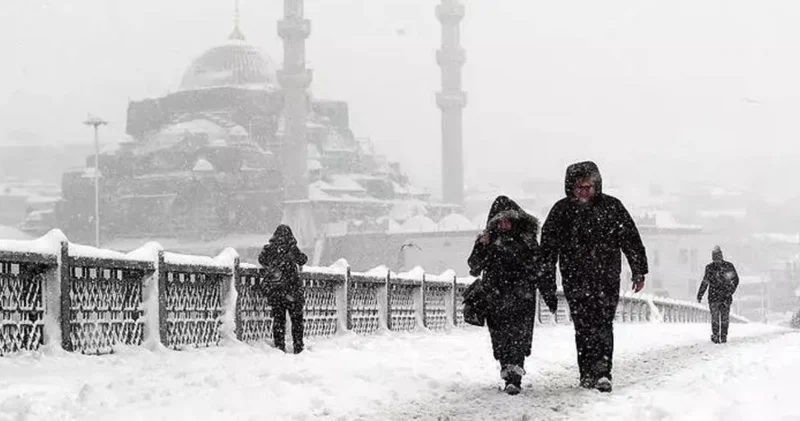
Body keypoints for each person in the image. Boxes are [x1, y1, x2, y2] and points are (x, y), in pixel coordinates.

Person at [540, 161, 648, 393]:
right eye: (580, 187)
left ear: (596, 185)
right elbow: (547, 249)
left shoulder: (612, 207)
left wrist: (638, 270)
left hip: (606, 277)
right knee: (583, 325)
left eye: (589, 186)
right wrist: (546, 279)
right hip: (575, 278)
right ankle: (586, 372)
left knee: (603, 323)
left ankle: (602, 371)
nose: (585, 192)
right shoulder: (561, 211)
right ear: (571, 187)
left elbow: (630, 239)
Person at [467, 195, 558, 395]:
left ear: (516, 220)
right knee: (500, 338)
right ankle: (507, 369)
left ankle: (513, 375)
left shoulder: (527, 242)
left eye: (508, 220)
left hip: (521, 298)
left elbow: (540, 269)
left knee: (518, 337)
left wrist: (549, 294)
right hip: (496, 298)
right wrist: (482, 245)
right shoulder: (489, 241)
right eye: (500, 221)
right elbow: (474, 267)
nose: (505, 224)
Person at [258, 224, 308, 354]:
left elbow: (261, 259)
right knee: (297, 320)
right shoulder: (292, 249)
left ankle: (279, 346)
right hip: (292, 290)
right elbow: (303, 260)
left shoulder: (270, 249)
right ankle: (298, 346)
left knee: (279, 320)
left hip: (277, 291)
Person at [697, 246, 739, 344]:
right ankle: (722, 336)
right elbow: (735, 280)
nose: (717, 261)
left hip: (715, 296)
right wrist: (730, 291)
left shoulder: (710, 268)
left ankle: (717, 335)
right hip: (724, 297)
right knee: (724, 317)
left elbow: (705, 282)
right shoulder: (728, 267)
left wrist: (700, 294)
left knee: (716, 318)